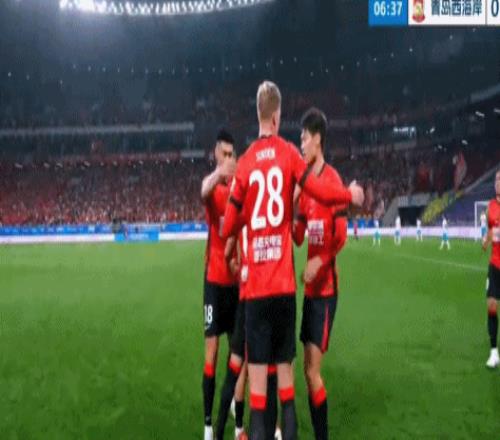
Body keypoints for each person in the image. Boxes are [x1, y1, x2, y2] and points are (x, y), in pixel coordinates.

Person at [221, 81, 364, 439]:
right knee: (287, 392)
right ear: (277, 115)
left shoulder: (245, 162)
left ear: (258, 113)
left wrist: (244, 222)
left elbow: (227, 225)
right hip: (285, 291)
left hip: (256, 293)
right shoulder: (287, 155)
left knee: (258, 398)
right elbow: (318, 194)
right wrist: (349, 195)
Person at [292, 108, 348, 439]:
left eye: (303, 138)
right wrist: (293, 202)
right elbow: (299, 237)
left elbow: (340, 235)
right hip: (311, 292)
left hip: (326, 291)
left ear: (317, 139)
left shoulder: (332, 181)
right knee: (307, 369)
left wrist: (320, 261)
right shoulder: (307, 186)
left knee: (313, 371)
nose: (301, 144)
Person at [200, 130, 238, 440]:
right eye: (223, 154)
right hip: (214, 282)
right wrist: (219, 173)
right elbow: (202, 191)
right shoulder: (213, 190)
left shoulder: (238, 190)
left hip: (236, 284)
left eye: (231, 155)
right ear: (216, 154)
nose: (227, 159)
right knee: (211, 353)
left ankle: (233, 400)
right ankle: (208, 423)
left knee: (236, 352)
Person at [483, 170, 500, 368]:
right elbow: (490, 230)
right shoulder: (490, 207)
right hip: (495, 265)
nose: (497, 182)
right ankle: (494, 352)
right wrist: (486, 240)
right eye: (496, 179)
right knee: (491, 306)